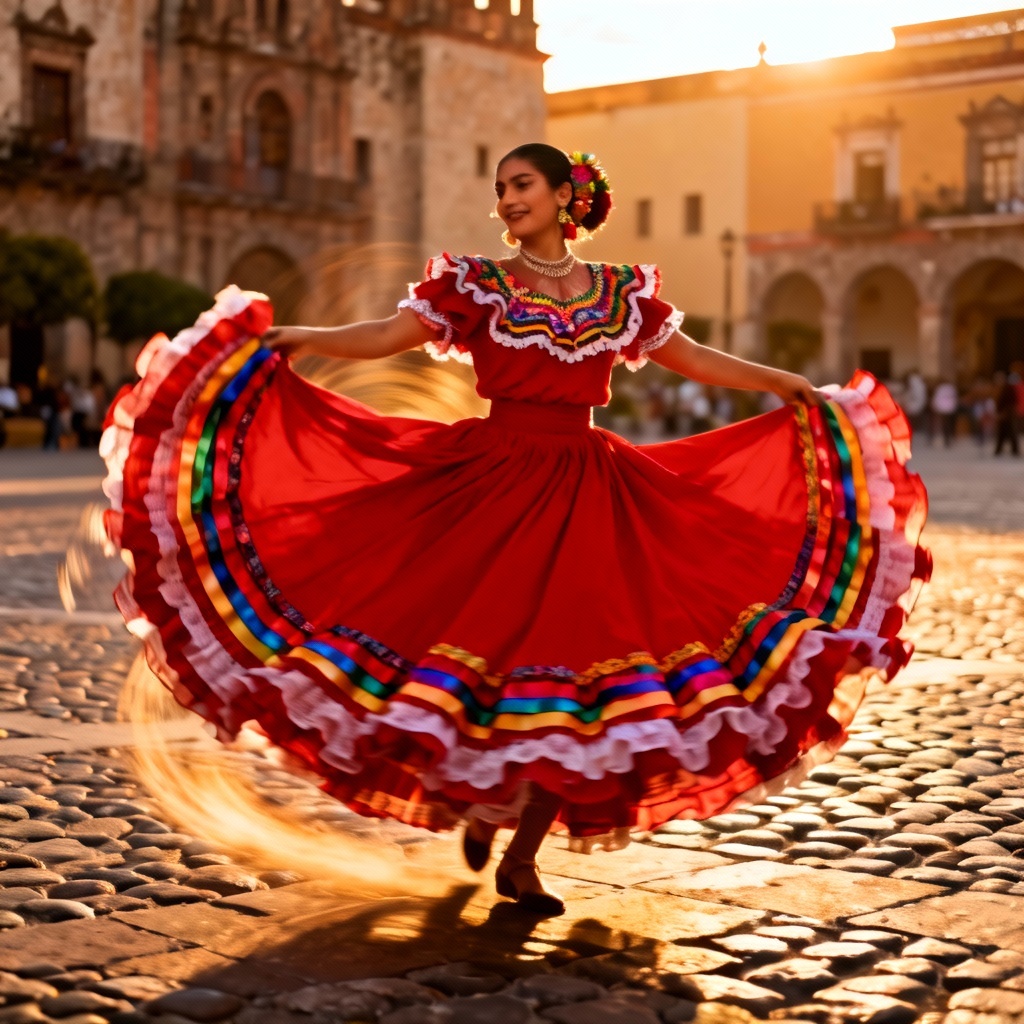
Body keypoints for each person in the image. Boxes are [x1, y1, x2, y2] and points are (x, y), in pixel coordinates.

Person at [100, 143, 929, 917]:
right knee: (481, 652)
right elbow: (385, 337)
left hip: (590, 492)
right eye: (500, 189)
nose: (507, 200)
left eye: (521, 185)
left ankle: (522, 857)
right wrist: (293, 338)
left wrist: (783, 384)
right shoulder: (474, 285)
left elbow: (694, 358)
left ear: (565, 195)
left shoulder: (619, 295)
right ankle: (483, 800)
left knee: (582, 676)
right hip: (489, 483)